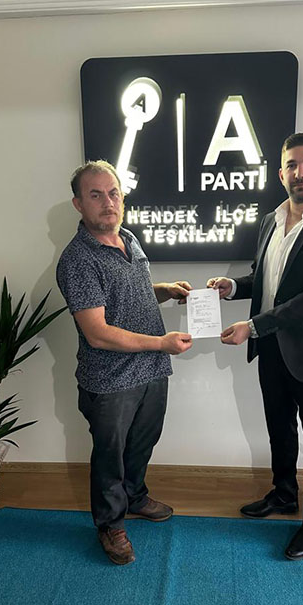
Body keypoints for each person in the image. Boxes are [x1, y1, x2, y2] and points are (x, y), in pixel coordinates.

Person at [207, 132, 303, 560]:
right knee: (279, 428)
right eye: (292, 164)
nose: (300, 172)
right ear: (281, 174)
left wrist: (253, 326)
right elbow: (266, 279)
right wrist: (233, 286)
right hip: (272, 347)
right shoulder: (270, 221)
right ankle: (283, 494)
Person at [57, 160, 192, 565]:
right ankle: (110, 524)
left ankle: (134, 496)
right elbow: (97, 332)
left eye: (113, 193)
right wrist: (161, 343)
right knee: (109, 456)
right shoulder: (77, 260)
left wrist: (165, 290)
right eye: (95, 195)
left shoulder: (128, 239)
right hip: (110, 381)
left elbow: (130, 292)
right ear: (79, 204)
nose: (108, 202)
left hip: (151, 370)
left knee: (142, 443)